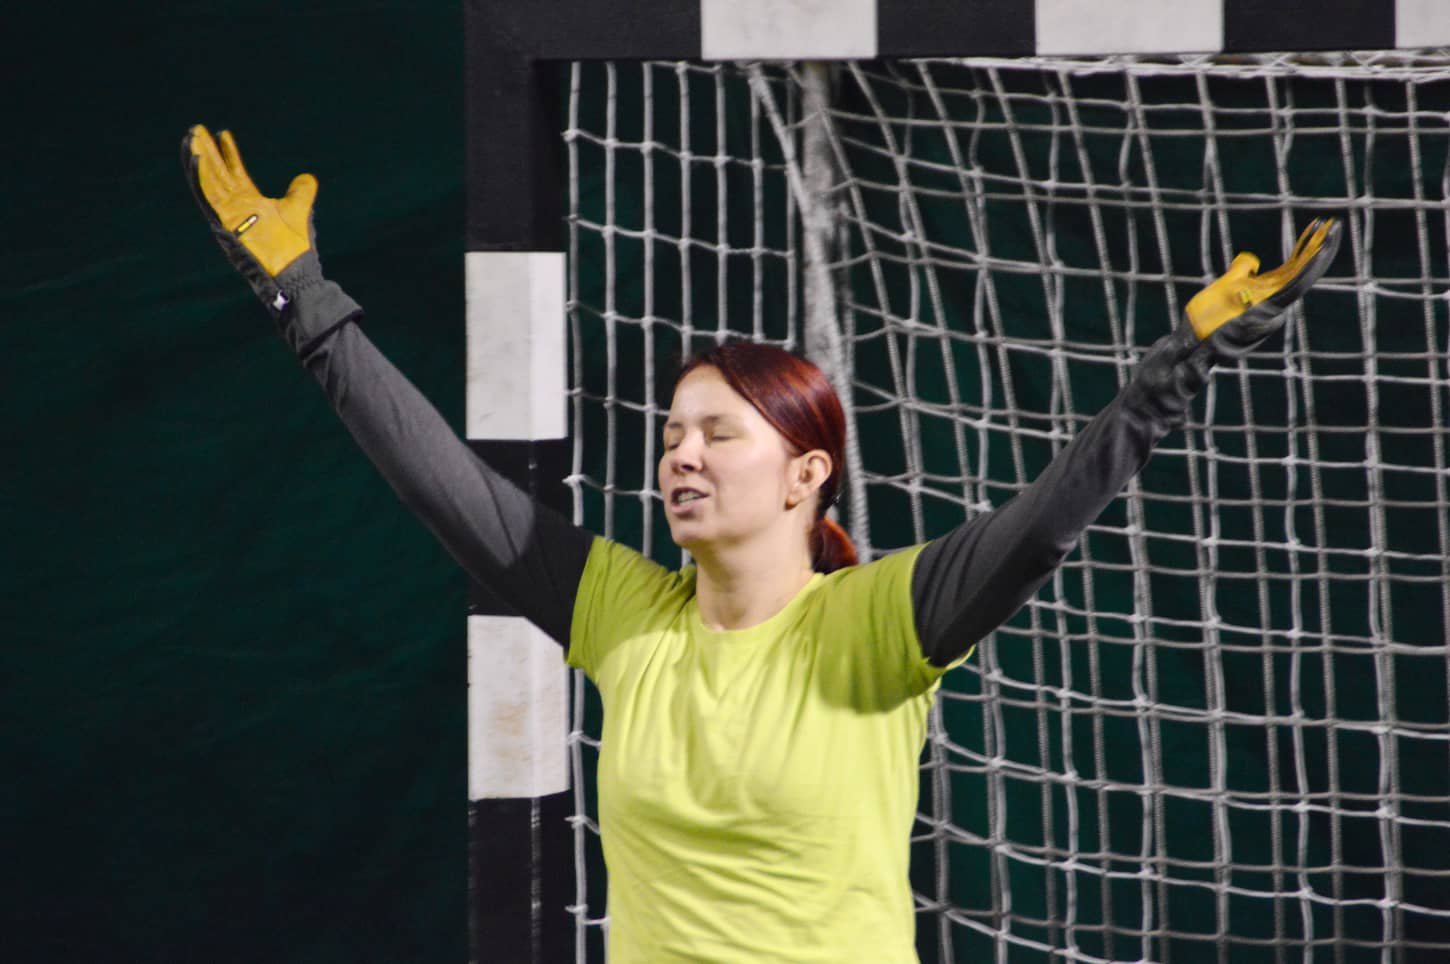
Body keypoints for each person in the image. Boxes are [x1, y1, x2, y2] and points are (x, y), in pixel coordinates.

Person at [181, 125, 1340, 962]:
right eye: (670, 433)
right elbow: (437, 480)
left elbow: (1040, 529)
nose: (679, 454)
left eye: (716, 433)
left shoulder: (877, 624)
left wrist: (1171, 369)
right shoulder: (620, 612)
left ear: (805, 473)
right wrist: (304, 300)